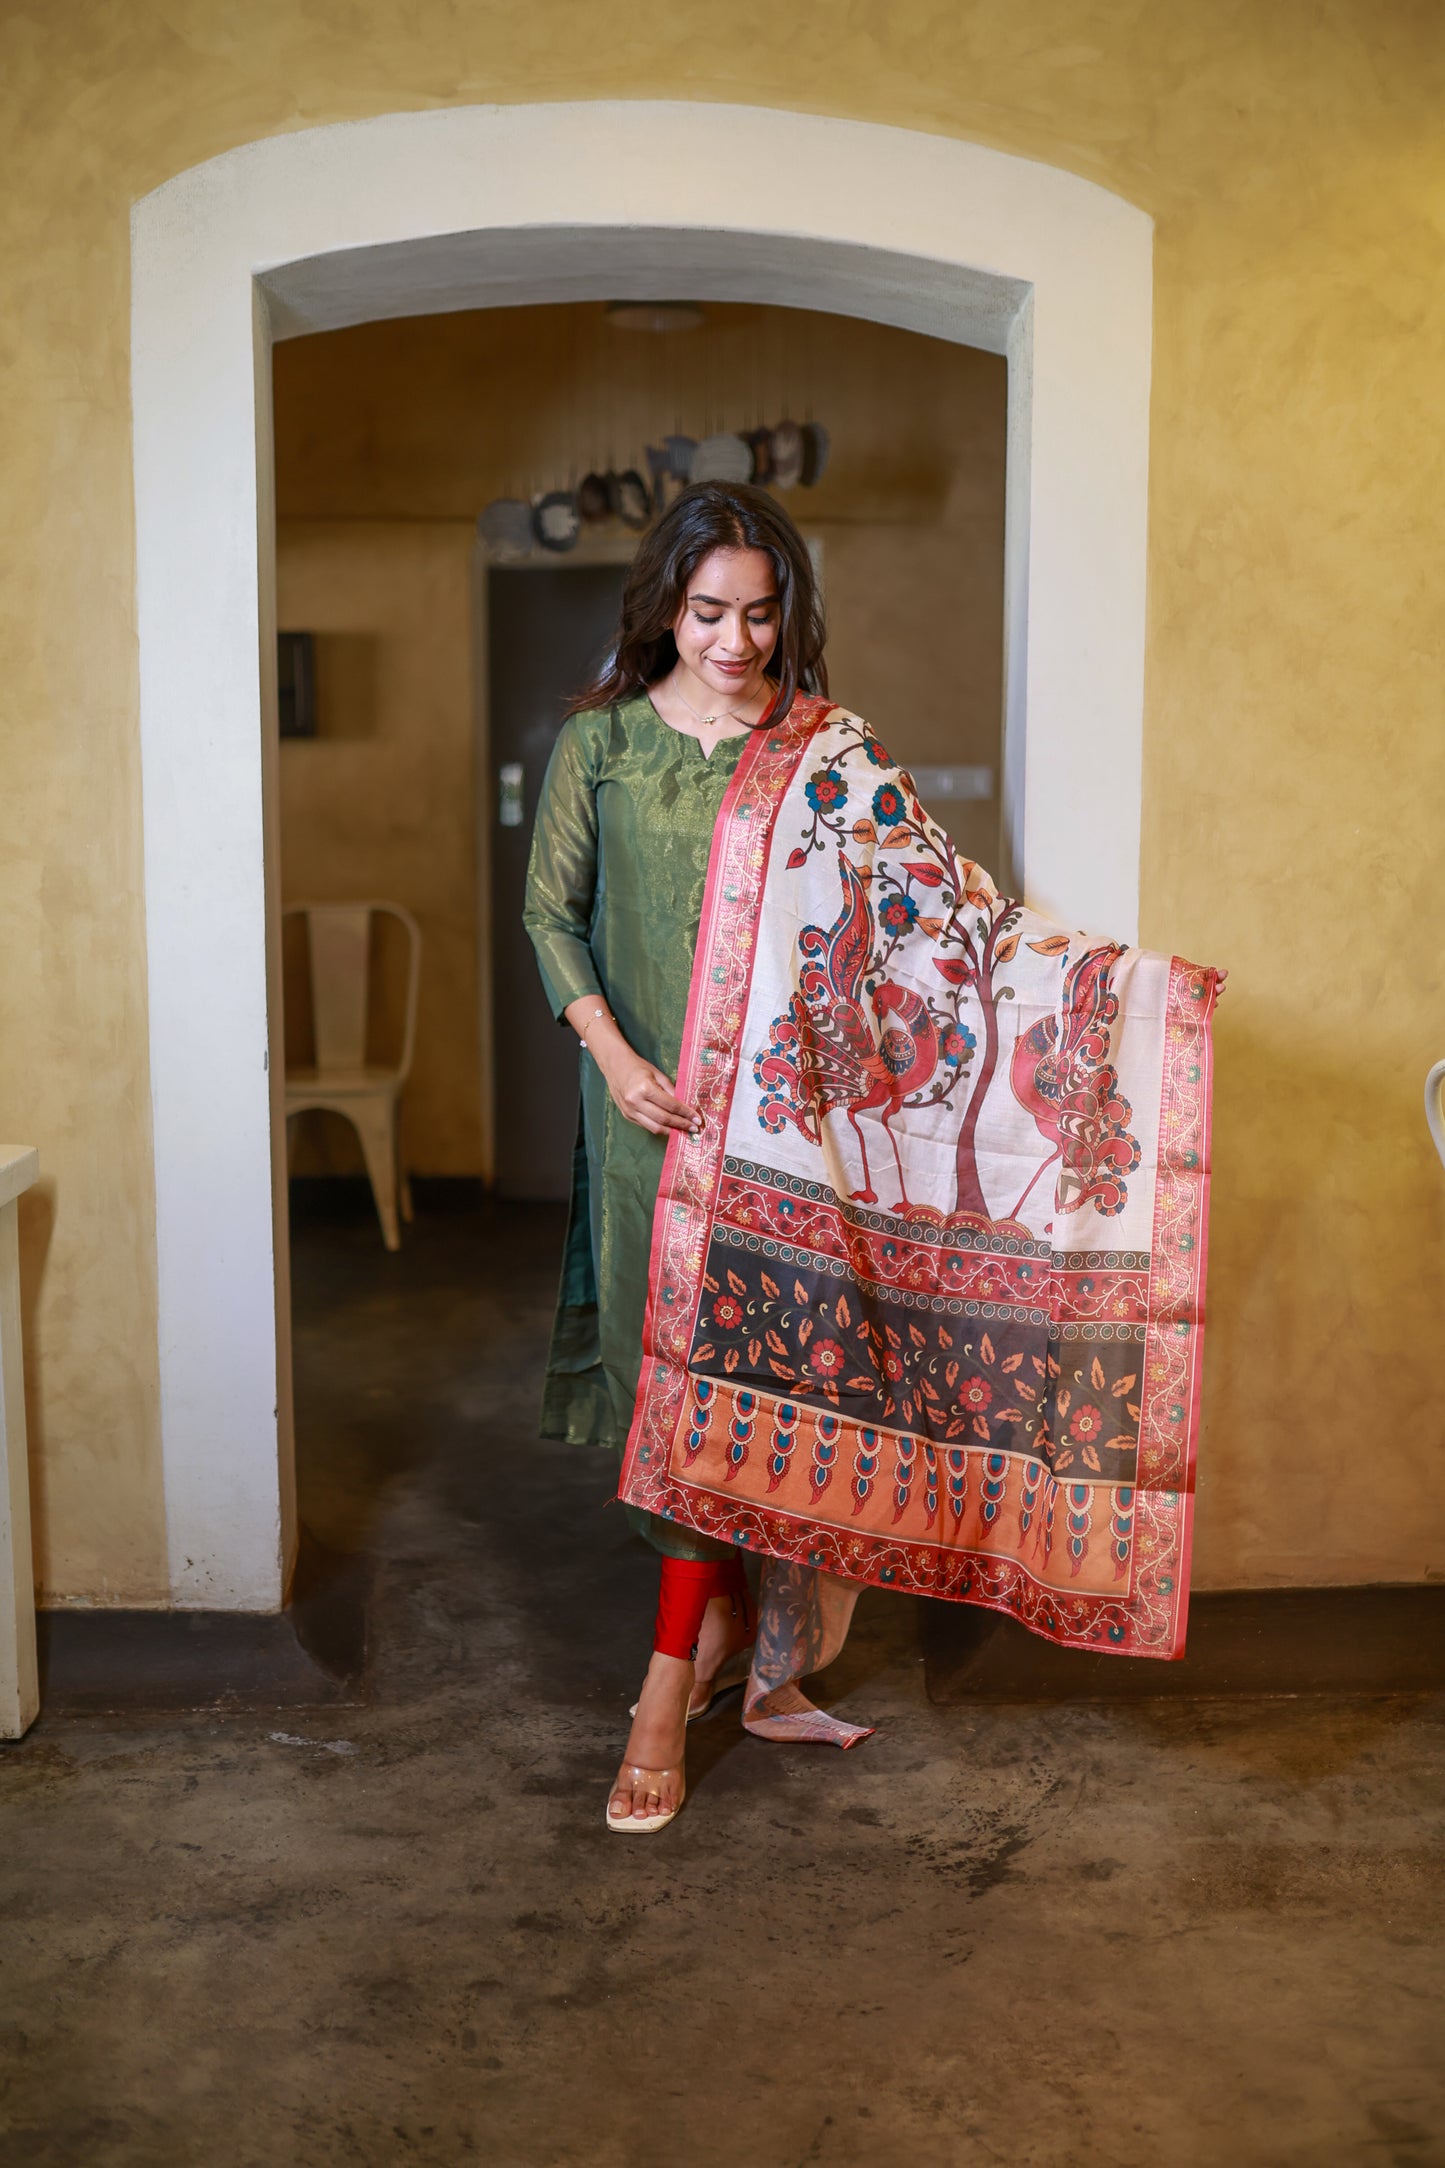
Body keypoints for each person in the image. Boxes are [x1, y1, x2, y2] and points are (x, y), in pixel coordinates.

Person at [524, 483, 868, 1832]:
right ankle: (710, 1627)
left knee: (746, 1395)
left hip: (780, 1135)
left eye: (762, 612)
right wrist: (616, 1063)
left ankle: (664, 1690)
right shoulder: (601, 743)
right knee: (661, 1397)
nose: (735, 639)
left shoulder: (816, 745)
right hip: (641, 1127)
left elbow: (891, 923)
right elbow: (552, 919)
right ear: (666, 604)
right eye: (708, 610)